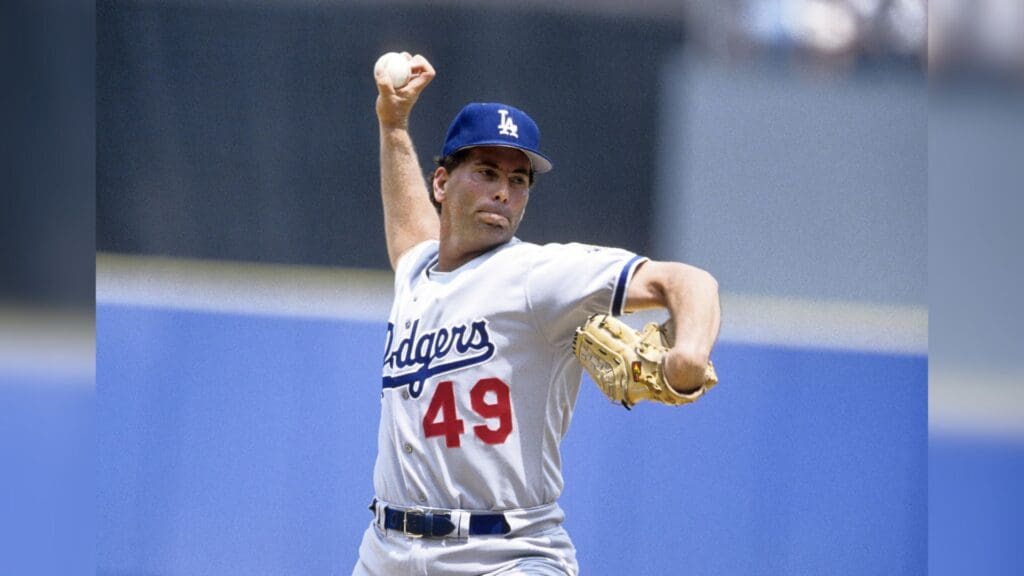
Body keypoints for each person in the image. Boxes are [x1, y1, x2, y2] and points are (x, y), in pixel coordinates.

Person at [353, 51, 721, 576]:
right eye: (485, 172)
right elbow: (411, 236)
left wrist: (689, 352)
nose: (503, 190)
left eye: (519, 179)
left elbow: (689, 281)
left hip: (506, 555)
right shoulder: (418, 270)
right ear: (441, 184)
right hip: (387, 551)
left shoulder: (539, 276)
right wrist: (393, 124)